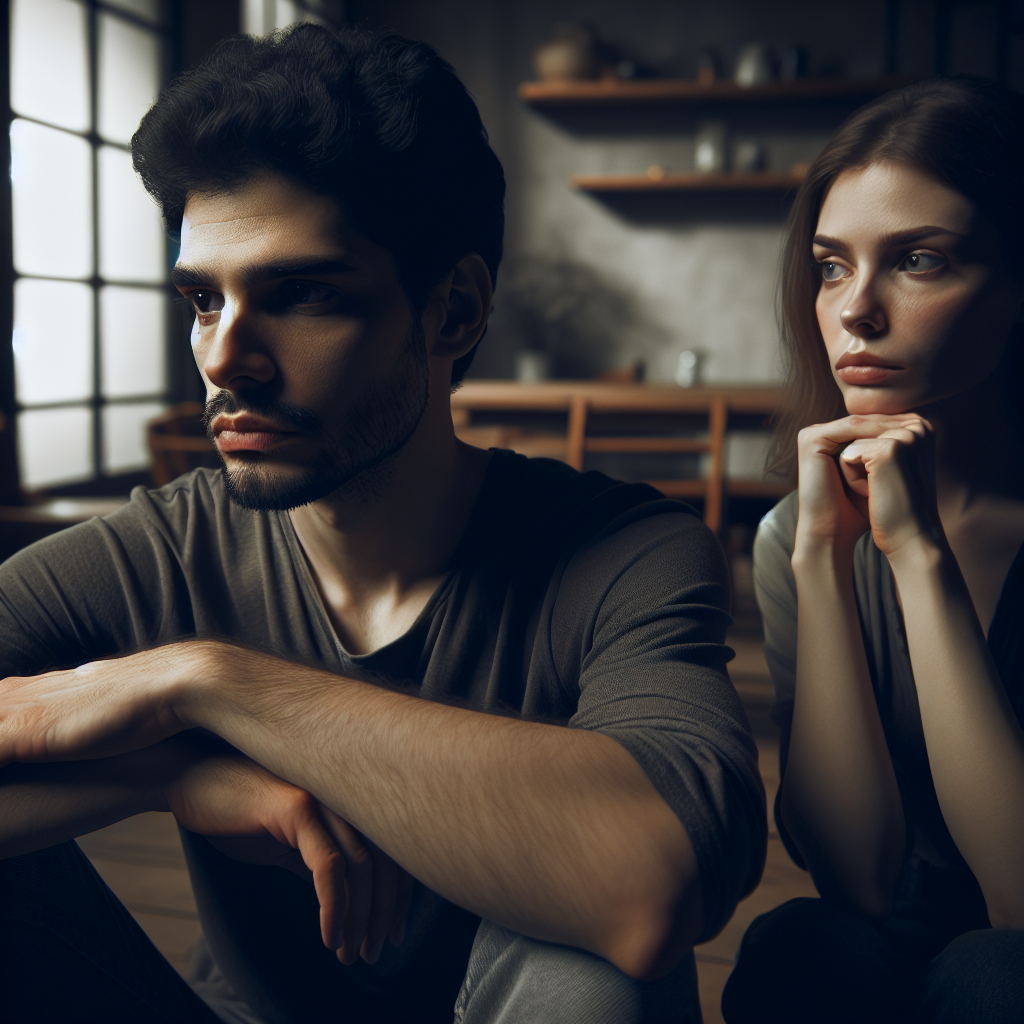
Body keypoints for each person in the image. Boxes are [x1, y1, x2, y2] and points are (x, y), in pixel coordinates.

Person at [0, 25, 766, 1024]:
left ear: (451, 312)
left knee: (598, 970)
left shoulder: (624, 552)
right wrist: (175, 772)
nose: (224, 358)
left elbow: (651, 885)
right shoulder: (159, 548)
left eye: (301, 294)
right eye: (201, 300)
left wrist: (206, 681)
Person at [721, 76, 1024, 1024]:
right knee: (800, 946)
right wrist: (820, 555)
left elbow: (1019, 907)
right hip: (899, 950)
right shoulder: (794, 539)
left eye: (920, 261)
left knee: (994, 976)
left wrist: (920, 559)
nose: (856, 311)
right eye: (832, 266)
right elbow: (855, 882)